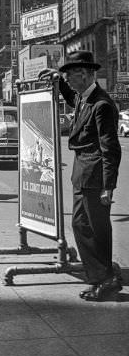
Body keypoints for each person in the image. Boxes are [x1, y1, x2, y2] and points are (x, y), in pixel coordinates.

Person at [40, 50, 122, 302]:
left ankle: (105, 280)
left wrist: (108, 186)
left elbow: (111, 149)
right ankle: (99, 277)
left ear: (85, 75)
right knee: (80, 224)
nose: (69, 80)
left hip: (95, 176)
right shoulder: (83, 98)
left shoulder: (102, 104)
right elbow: (69, 96)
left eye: (71, 75)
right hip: (82, 173)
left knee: (96, 229)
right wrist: (58, 79)